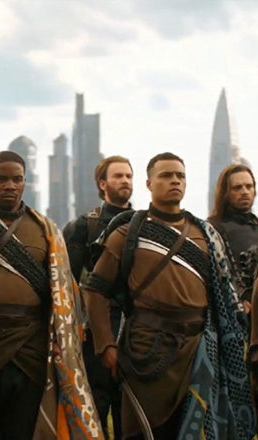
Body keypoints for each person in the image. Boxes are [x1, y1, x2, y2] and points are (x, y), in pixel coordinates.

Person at [85, 152, 254, 439]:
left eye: (180, 176)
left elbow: (225, 299)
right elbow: (96, 291)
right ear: (149, 184)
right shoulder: (127, 233)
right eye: (166, 175)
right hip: (144, 351)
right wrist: (105, 345)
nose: (175, 180)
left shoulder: (207, 235)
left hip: (200, 352)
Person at [0, 151, 101, 439]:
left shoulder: (45, 230)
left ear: (25, 182)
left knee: (22, 430)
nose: (10, 186)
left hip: (29, 349)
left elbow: (61, 292)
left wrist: (62, 341)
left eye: (17, 179)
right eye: (1, 179)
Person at [63, 155, 133, 439]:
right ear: (102, 184)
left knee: (131, 413)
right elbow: (66, 282)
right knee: (95, 409)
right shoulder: (83, 226)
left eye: (128, 176)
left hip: (135, 330)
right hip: (94, 329)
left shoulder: (144, 225)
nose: (125, 181)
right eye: (118, 176)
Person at [207, 164, 257, 315]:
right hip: (235, 312)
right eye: (237, 187)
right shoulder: (212, 228)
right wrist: (239, 300)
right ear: (225, 192)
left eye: (249, 186)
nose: (245, 192)